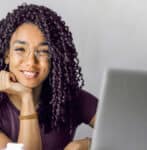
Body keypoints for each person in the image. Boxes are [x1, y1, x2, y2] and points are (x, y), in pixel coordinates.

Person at [0, 3, 98, 150]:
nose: (31, 62)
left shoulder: (69, 97)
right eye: (20, 49)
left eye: (43, 51)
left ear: (54, 58)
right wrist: (26, 97)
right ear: (7, 55)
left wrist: (89, 144)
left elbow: (128, 130)